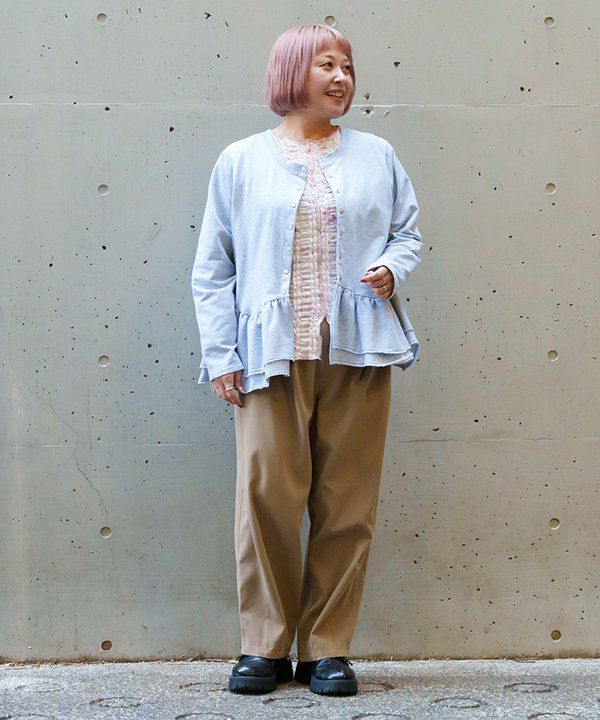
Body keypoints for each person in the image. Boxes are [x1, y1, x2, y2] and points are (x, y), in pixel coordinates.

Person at [191, 23, 423, 696]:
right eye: (327, 64)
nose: (342, 77)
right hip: (269, 354)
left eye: (347, 65)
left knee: (347, 501)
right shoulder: (241, 161)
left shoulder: (377, 155)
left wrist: (391, 266)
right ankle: (263, 645)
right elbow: (213, 268)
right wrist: (221, 353)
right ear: (293, 71)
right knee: (265, 498)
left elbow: (407, 232)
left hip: (358, 349)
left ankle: (327, 648)